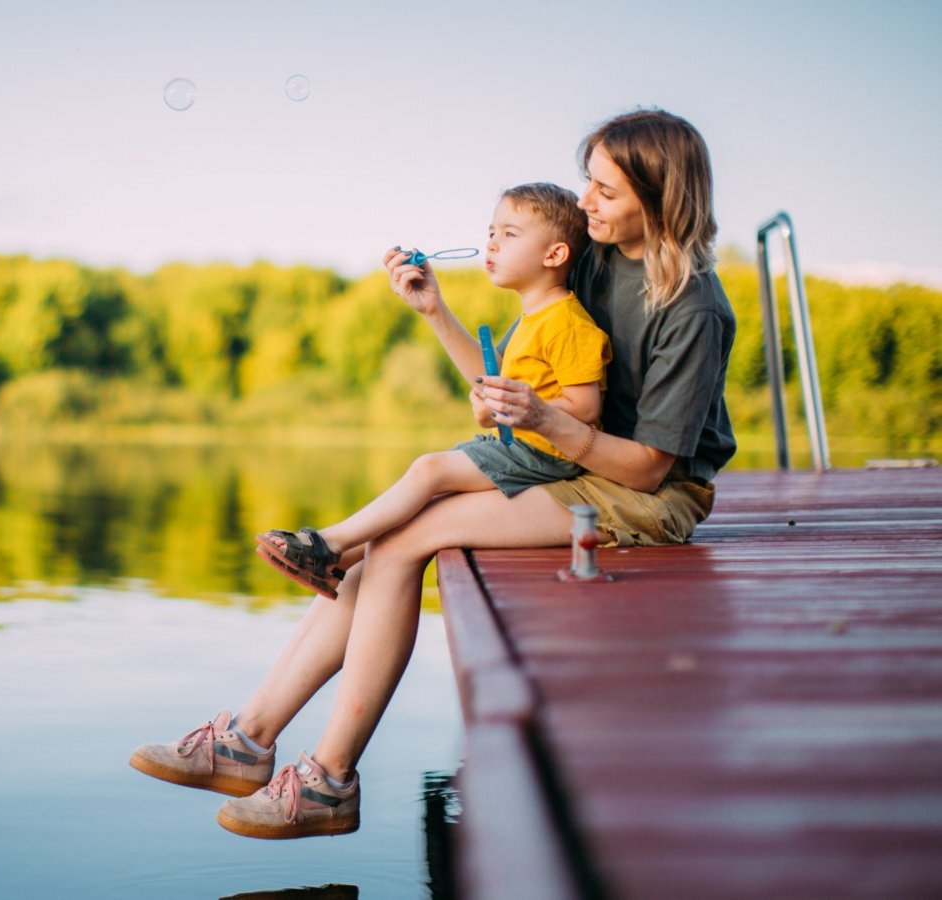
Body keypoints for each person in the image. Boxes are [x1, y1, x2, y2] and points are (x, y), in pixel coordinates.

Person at [128, 108, 736, 841]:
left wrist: (547, 421)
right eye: (588, 183)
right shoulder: (596, 259)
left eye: (605, 190)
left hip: (645, 494)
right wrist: (436, 312)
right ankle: (248, 741)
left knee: (402, 541)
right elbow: (502, 392)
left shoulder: (691, 306)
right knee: (379, 542)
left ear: (661, 194)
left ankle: (326, 779)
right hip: (566, 457)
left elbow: (646, 469)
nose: (585, 204)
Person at [253, 182, 610, 600]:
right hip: (527, 450)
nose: (492, 244)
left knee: (430, 471)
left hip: (547, 457)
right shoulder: (533, 319)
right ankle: (336, 562)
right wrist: (495, 406)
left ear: (555, 255)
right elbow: (512, 395)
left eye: (509, 235)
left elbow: (585, 408)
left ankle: (326, 544)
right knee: (432, 486)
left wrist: (516, 409)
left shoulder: (567, 323)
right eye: (491, 232)